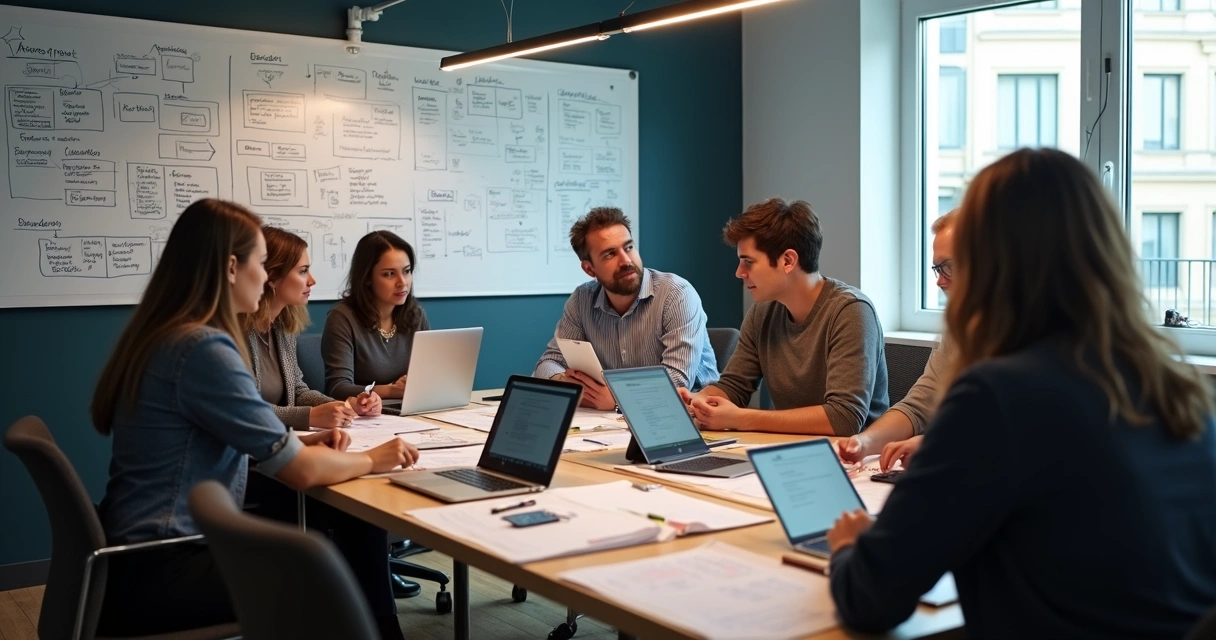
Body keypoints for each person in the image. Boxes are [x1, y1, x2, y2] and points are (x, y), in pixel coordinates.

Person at [826, 149, 1216, 638]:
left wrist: (846, 547)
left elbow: (872, 596)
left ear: (990, 260)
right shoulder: (1171, 382)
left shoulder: (998, 395)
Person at [91, 199, 417, 639]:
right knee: (328, 579)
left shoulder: (165, 333)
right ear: (230, 268)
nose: (266, 277)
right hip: (167, 565)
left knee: (334, 560)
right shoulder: (204, 349)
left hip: (138, 555)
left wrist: (304, 441)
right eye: (262, 264)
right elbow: (300, 474)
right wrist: (375, 460)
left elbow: (232, 441)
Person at [680, 198, 888, 435]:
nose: (739, 273)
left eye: (748, 262)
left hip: (855, 458)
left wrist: (742, 418)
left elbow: (843, 419)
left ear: (787, 261)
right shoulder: (763, 311)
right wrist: (697, 401)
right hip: (787, 448)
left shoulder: (851, 312)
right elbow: (734, 386)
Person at [534, 207, 718, 408]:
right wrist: (566, 383)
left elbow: (676, 381)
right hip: (611, 422)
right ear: (589, 269)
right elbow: (547, 363)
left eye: (628, 247)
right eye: (610, 254)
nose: (626, 261)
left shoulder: (676, 294)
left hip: (690, 416)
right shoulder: (581, 300)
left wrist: (617, 400)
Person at [837, 210, 956, 467]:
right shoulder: (958, 332)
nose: (940, 282)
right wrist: (865, 443)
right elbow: (917, 407)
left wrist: (939, 444)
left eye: (950, 266)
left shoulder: (1040, 335)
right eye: (938, 269)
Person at [242, 226, 382, 430]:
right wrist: (309, 416)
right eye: (303, 271)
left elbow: (298, 391)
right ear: (271, 277)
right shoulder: (236, 332)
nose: (312, 280)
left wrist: (345, 406)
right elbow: (244, 409)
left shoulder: (281, 328)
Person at [322, 230, 429, 402]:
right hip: (363, 417)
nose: (402, 282)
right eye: (389, 274)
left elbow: (427, 376)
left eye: (407, 271)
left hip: (411, 410)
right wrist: (390, 390)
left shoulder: (416, 315)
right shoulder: (342, 318)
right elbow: (338, 388)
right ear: (367, 278)